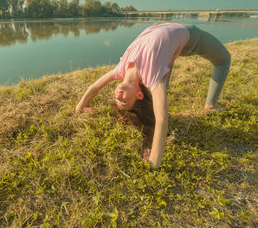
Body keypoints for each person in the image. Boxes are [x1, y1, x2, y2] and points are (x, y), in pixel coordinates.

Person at [75, 22, 231, 169]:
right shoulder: (152, 76)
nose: (119, 95)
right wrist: (154, 161)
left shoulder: (121, 69)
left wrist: (80, 108)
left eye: (117, 98)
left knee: (165, 68)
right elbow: (162, 118)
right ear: (139, 95)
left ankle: (165, 85)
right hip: (189, 35)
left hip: (164, 28)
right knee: (224, 59)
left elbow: (94, 87)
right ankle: (211, 104)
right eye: (124, 101)